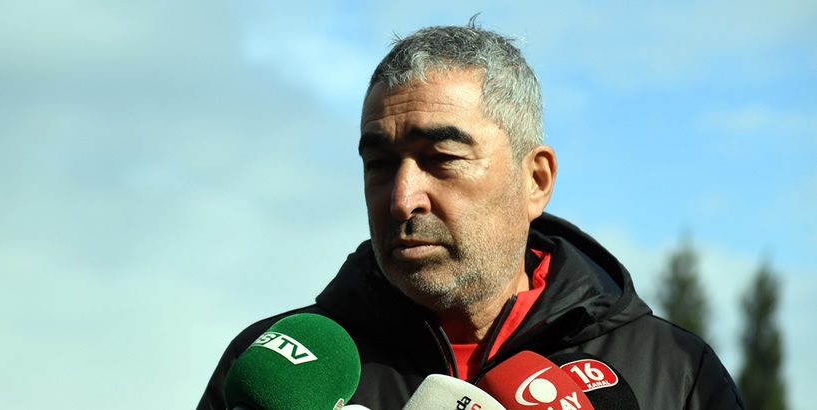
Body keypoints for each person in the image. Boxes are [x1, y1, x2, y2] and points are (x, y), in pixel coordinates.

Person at [197, 23, 744, 410]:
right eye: (380, 165)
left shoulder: (673, 374)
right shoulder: (271, 373)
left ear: (536, 180)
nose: (403, 198)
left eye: (442, 158)